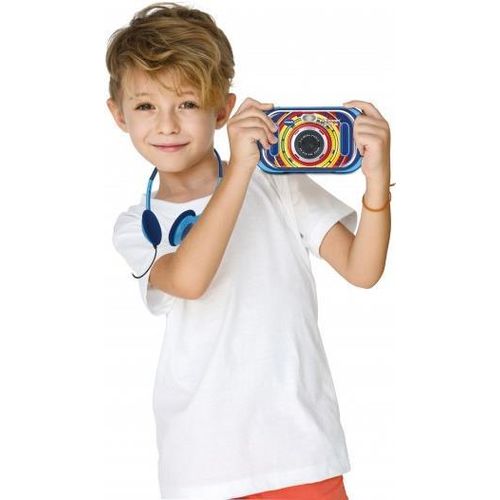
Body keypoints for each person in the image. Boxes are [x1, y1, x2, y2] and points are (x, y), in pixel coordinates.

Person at [105, 3, 392, 499]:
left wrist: (377, 181)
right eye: (146, 106)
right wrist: (239, 169)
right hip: (202, 467)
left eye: (187, 103)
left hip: (301, 454)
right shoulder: (138, 224)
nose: (167, 125)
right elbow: (190, 280)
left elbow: (361, 269)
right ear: (118, 115)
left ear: (222, 110)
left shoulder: (275, 183)